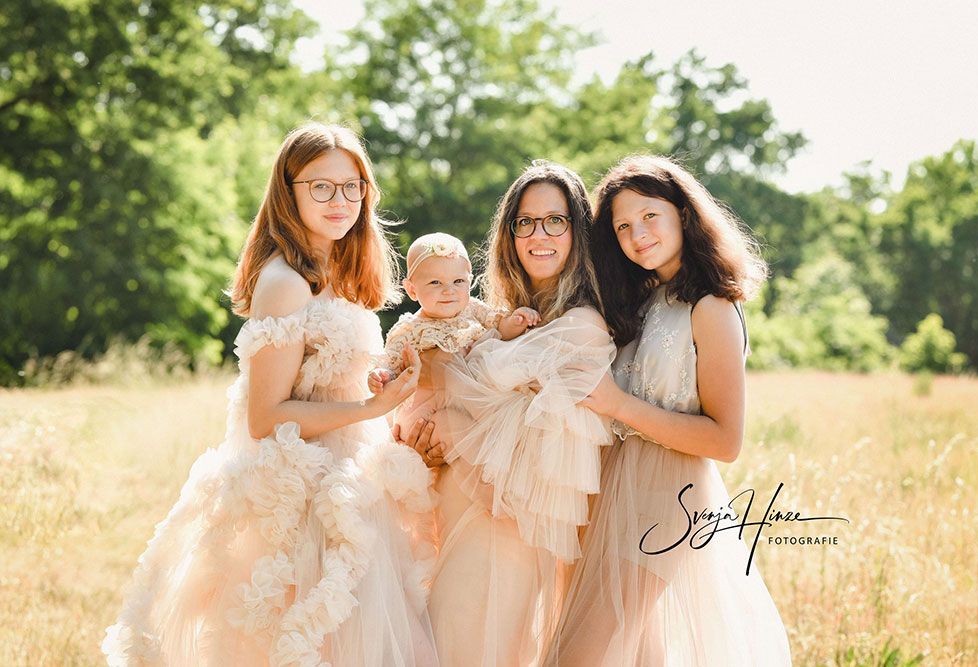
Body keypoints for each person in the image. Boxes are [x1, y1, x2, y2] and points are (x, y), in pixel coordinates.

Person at [102, 123, 438, 667]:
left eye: (352, 186)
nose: (341, 200)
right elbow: (266, 415)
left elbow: (331, 381)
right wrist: (372, 407)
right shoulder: (285, 282)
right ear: (289, 191)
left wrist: (385, 387)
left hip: (350, 478)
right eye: (320, 187)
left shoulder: (338, 270)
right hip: (301, 492)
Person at [548, 154, 791, 666]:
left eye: (649, 216)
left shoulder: (712, 307)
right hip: (614, 487)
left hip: (670, 497)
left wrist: (620, 405)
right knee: (638, 655)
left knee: (580, 654)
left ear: (682, 213)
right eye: (622, 227)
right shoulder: (643, 300)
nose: (637, 235)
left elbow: (725, 441)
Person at [423, 161, 616, 666]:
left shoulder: (581, 326)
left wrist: (449, 370)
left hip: (502, 533)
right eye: (525, 222)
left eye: (556, 220)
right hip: (461, 512)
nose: (539, 235)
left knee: (470, 648)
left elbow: (471, 377)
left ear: (578, 230)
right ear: (509, 234)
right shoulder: (509, 317)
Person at [367, 232, 541, 448]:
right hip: (427, 410)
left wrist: (517, 321)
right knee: (452, 427)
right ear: (412, 290)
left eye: (458, 281)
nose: (449, 290)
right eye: (435, 282)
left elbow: (500, 328)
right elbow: (390, 363)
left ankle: (500, 442)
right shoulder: (409, 330)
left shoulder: (473, 309)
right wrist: (381, 376)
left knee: (496, 411)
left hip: (473, 402)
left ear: (469, 281)